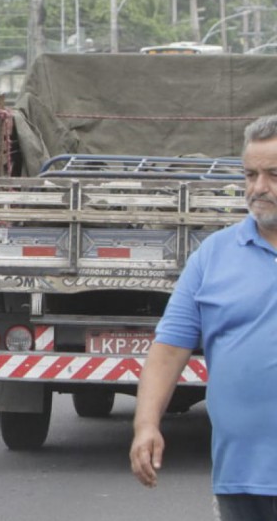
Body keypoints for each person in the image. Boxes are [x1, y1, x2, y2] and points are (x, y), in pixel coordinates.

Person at [130, 114, 277, 517]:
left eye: (273, 175)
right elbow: (168, 349)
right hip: (239, 478)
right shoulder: (214, 255)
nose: (259, 188)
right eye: (250, 174)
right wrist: (146, 424)